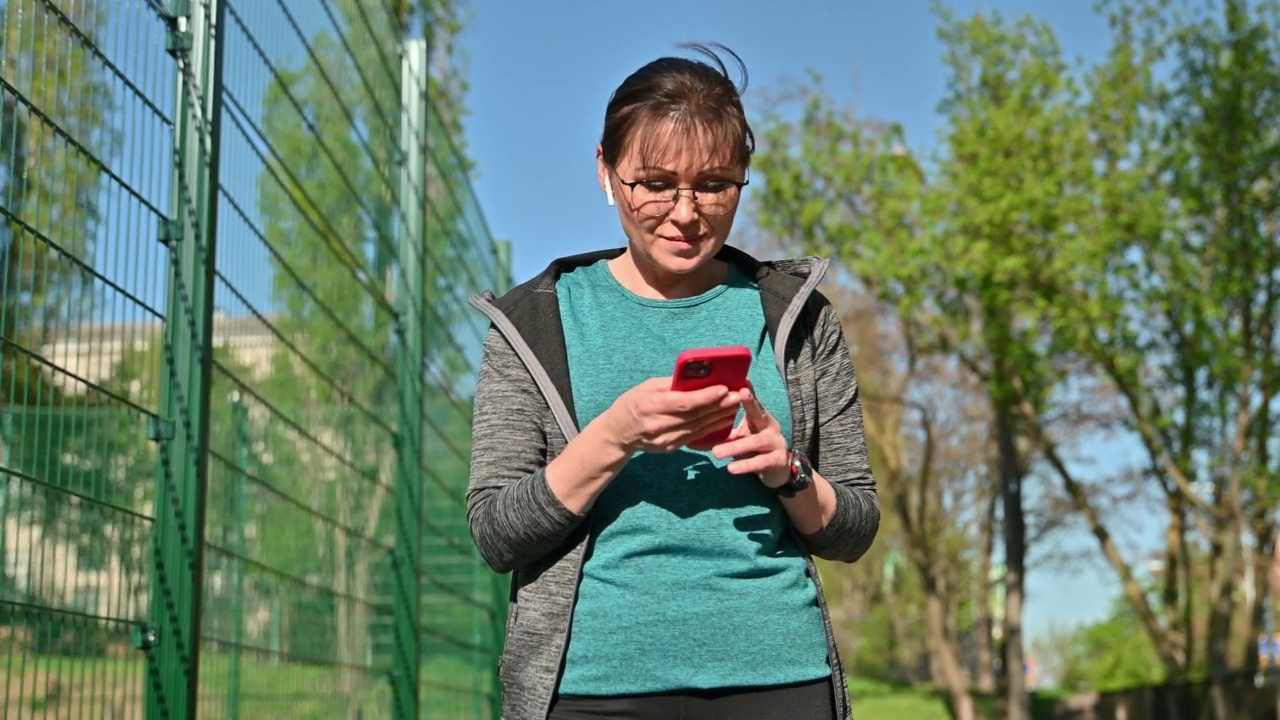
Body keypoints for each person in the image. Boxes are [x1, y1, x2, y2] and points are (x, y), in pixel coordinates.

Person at [467, 43, 880, 720]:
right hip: (591, 688)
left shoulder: (797, 317)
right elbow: (496, 533)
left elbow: (854, 528)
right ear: (606, 171)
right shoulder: (532, 323)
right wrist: (615, 434)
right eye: (655, 183)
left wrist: (787, 468)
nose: (686, 213)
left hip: (779, 677)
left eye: (715, 185)